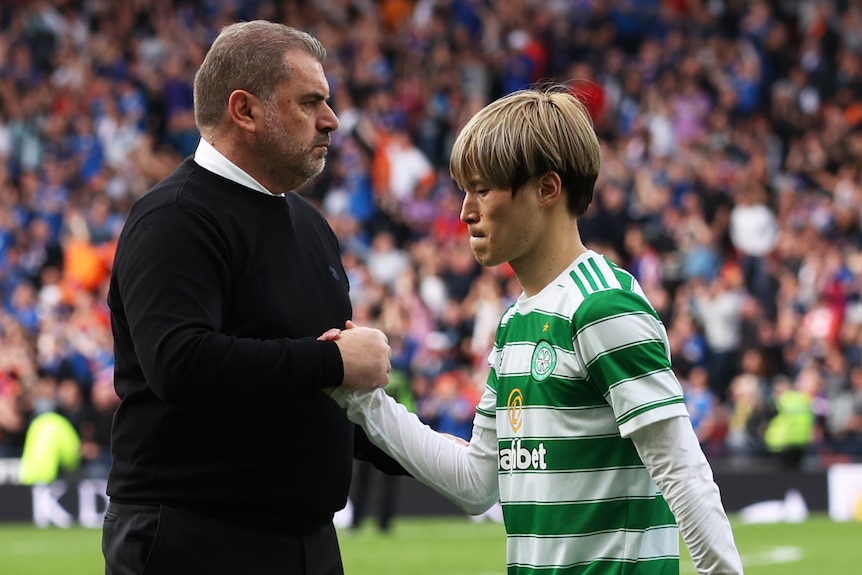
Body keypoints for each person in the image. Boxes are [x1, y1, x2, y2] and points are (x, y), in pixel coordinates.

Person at [331, 87, 744, 574]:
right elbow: (475, 482)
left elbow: (683, 469)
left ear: (547, 189)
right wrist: (361, 398)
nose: (465, 211)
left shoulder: (602, 305)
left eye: (482, 190)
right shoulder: (514, 322)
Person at [103, 21, 401, 575]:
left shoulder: (312, 227)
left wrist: (475, 457)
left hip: (307, 540)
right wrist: (333, 360)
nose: (332, 120)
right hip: (197, 537)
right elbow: (182, 363)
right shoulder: (175, 218)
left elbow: (319, 396)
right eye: (310, 102)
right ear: (245, 110)